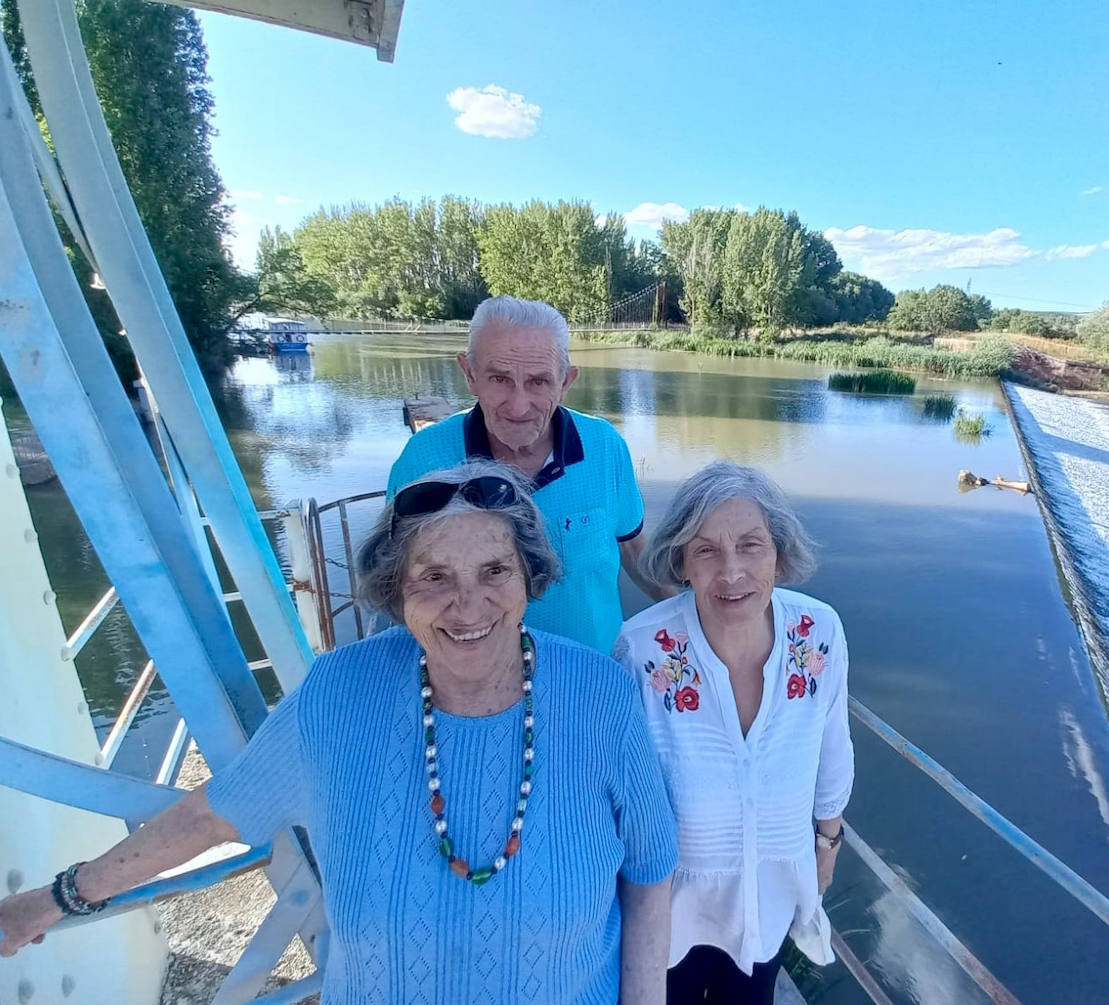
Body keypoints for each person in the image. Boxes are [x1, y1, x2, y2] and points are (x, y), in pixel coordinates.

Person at [0, 460, 678, 1003]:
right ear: (396, 590)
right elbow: (212, 814)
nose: (468, 603)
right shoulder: (339, 695)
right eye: (434, 576)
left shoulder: (601, 697)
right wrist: (56, 898)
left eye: (494, 570)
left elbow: (650, 871)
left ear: (530, 577)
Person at [613, 461, 854, 1004]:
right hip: (667, 905)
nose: (731, 572)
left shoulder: (819, 633)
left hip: (770, 895)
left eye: (751, 546)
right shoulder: (644, 648)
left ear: (779, 554)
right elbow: (620, 786)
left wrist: (828, 840)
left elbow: (834, 746)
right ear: (680, 562)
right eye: (705, 551)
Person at [388, 295, 666, 653]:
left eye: (538, 382)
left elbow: (634, 549)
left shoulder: (605, 446)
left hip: (595, 683)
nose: (519, 406)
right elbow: (400, 583)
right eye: (499, 379)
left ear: (566, 382)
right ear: (469, 374)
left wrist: (699, 617)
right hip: (475, 692)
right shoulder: (422, 460)